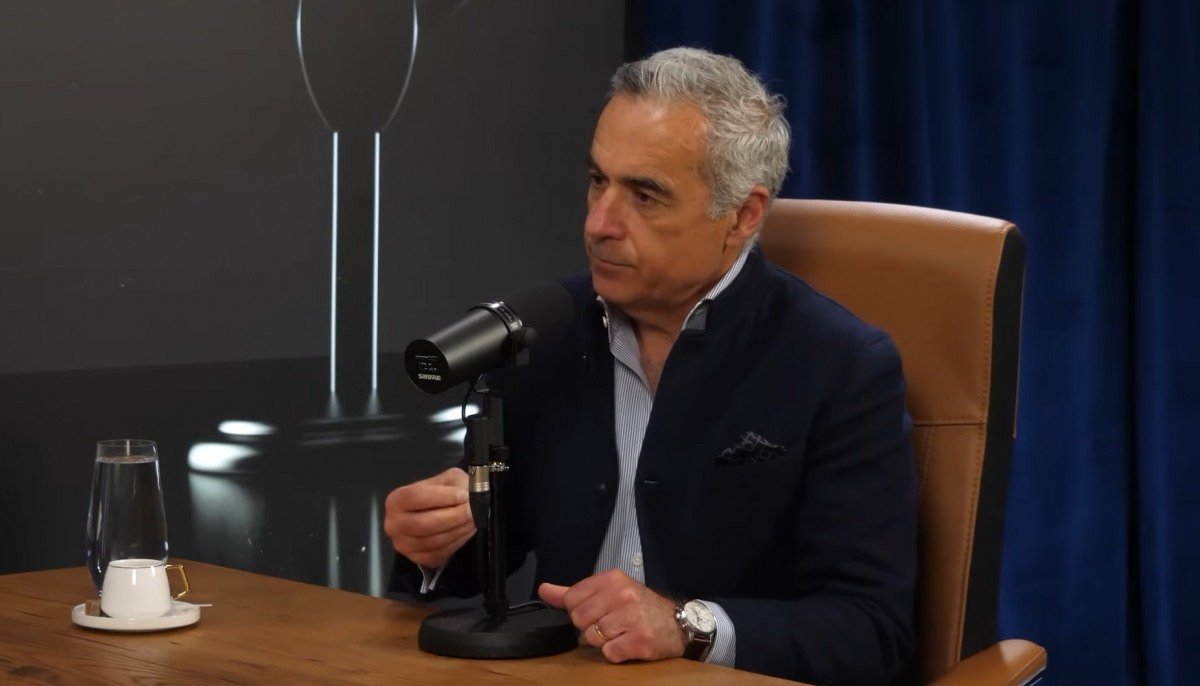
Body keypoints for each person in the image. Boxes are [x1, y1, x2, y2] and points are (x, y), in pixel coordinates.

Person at [386, 47, 917, 685]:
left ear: (742, 215)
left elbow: (870, 631)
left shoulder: (842, 365)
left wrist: (688, 627)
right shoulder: (544, 334)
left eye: (645, 195)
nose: (599, 223)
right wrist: (432, 546)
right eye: (597, 181)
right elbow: (483, 566)